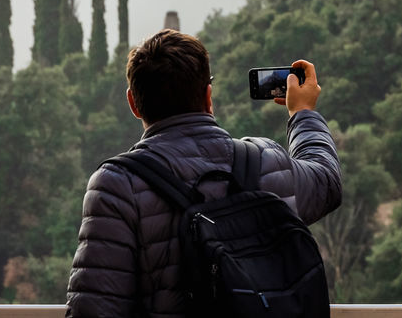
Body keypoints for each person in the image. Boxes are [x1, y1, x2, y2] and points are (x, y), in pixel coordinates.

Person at [66, 29, 342, 317]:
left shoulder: (117, 185)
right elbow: (327, 181)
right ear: (208, 95)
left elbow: (94, 309)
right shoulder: (266, 160)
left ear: (133, 103)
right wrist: (302, 113)